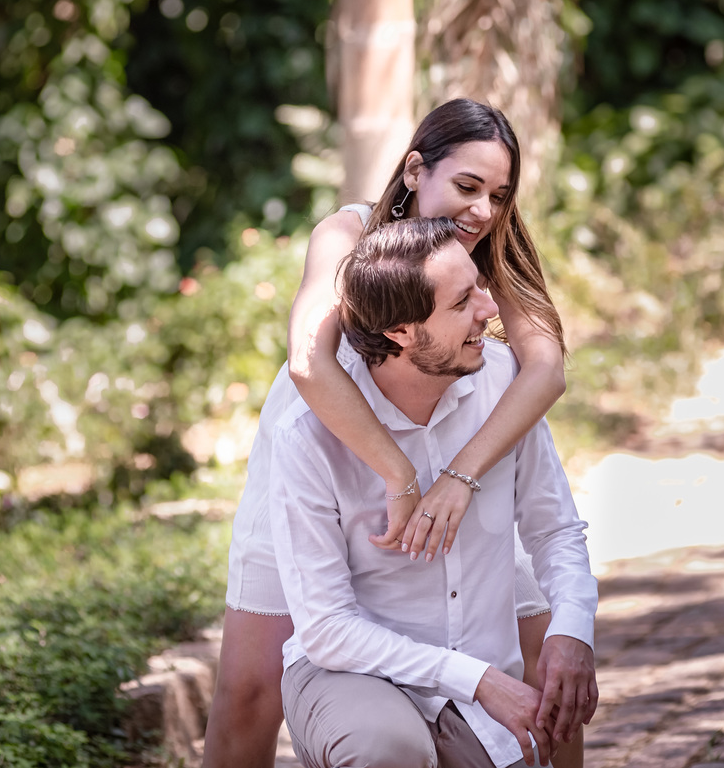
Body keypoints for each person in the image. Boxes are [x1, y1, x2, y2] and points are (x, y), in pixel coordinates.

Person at [202, 100, 576, 767]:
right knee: (249, 691)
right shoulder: (346, 232)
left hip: (458, 451)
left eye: (499, 194)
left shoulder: (488, 261)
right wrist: (397, 471)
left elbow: (544, 370)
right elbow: (309, 360)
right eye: (467, 186)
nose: (483, 211)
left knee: (552, 673)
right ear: (413, 171)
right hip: (328, 443)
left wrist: (460, 475)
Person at [273, 216, 597, 768]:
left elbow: (555, 528)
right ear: (400, 331)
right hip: (353, 675)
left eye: (479, 286)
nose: (490, 308)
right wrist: (478, 682)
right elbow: (327, 629)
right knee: (385, 749)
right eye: (462, 302)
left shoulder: (504, 384)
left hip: (480, 679)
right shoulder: (307, 439)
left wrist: (572, 630)